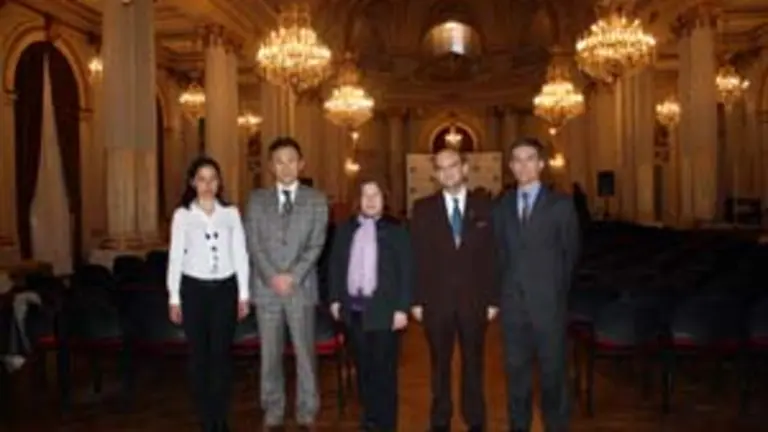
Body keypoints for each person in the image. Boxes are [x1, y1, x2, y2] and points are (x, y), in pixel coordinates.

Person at [492, 138, 580, 432]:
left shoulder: (561, 205)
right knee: (516, 378)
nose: (523, 165)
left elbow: (570, 254)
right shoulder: (502, 206)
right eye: (516, 159)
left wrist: (553, 293)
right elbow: (500, 253)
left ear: (541, 164)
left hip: (548, 306)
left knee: (553, 376)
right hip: (513, 307)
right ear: (510, 166)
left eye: (529, 158)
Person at [410, 147, 499, 432]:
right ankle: (440, 420)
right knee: (439, 366)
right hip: (436, 302)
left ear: (464, 168)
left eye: (452, 165)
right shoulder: (422, 209)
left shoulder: (485, 207)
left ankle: (475, 420)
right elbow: (416, 258)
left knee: (474, 363)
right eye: (441, 167)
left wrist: (493, 298)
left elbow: (494, 256)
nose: (447, 172)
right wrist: (416, 300)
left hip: (475, 301)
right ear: (436, 174)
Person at [245, 137, 329, 430]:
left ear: (301, 163)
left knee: (305, 354)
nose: (286, 166)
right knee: (269, 355)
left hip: (301, 288)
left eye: (291, 160)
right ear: (271, 166)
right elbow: (253, 244)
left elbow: (317, 243)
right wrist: (272, 276)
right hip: (267, 290)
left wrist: (293, 275)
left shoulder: (317, 200)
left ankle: (307, 411)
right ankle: (273, 409)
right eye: (279, 161)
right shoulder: (256, 200)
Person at [166, 156, 250, 432]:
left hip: (225, 291)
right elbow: (176, 257)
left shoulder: (231, 213)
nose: (207, 185)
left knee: (221, 356)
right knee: (199, 357)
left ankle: (220, 416)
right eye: (201, 179)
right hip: (194, 292)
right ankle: (205, 416)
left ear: (219, 182)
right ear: (192, 182)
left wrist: (244, 294)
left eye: (212, 179)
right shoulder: (182, 215)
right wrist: (174, 297)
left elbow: (240, 254)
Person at [328, 178, 412, 432]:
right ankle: (370, 419)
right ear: (358, 200)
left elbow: (407, 271)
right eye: (366, 195)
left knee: (385, 372)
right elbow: (335, 267)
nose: (371, 200)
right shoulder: (345, 230)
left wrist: (402, 308)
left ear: (384, 199)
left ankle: (386, 423)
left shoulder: (396, 231)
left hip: (386, 313)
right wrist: (334, 299)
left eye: (376, 194)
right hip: (354, 312)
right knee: (363, 370)